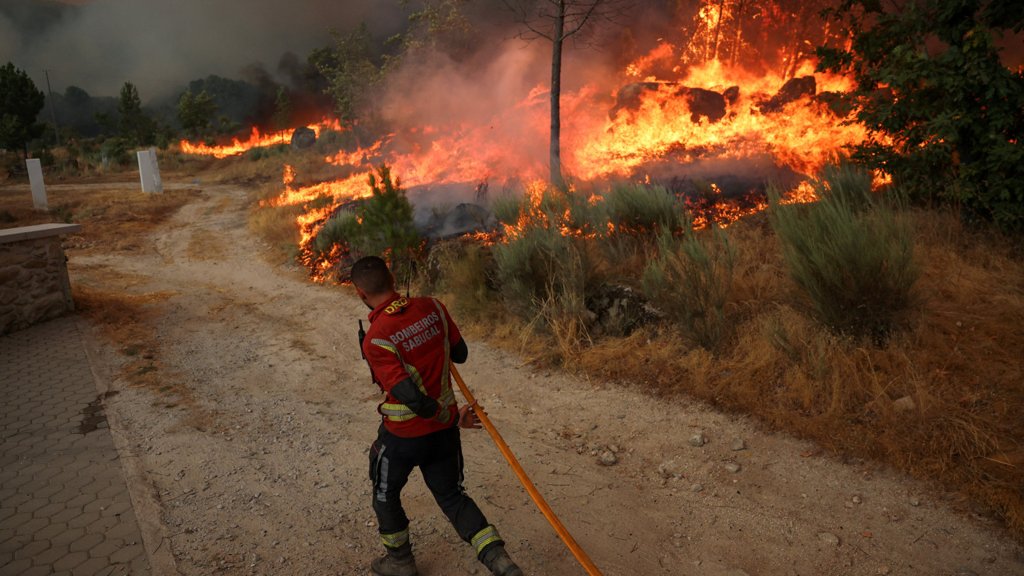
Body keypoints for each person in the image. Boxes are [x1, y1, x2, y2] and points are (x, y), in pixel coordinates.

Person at [350, 256, 524, 576]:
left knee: (384, 492)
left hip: (402, 437)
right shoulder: (433, 307)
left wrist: (447, 414)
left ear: (360, 293)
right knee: (452, 496)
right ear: (392, 276)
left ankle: (400, 562)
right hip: (443, 436)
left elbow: (412, 399)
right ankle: (500, 561)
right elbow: (461, 354)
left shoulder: (377, 337)